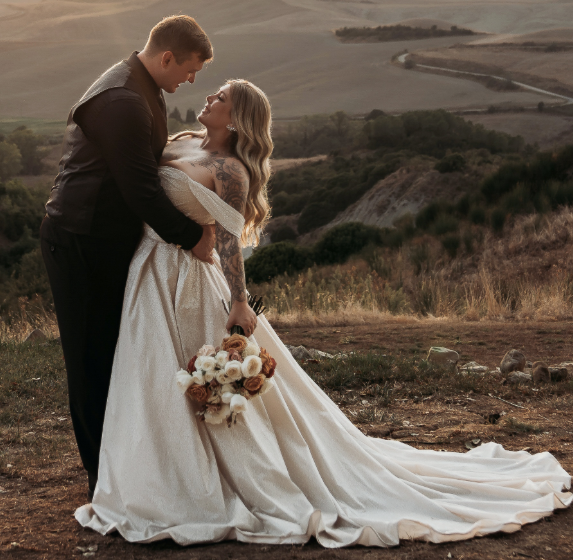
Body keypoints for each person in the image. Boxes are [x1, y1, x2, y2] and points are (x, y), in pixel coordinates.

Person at [76, 79, 571, 549]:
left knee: (189, 385)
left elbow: (227, 242)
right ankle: (150, 474)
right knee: (145, 379)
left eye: (222, 95)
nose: (209, 97)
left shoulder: (231, 171)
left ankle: (195, 483)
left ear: (240, 116)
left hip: (185, 282)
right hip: (147, 272)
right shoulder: (182, 138)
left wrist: (240, 302)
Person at [40, 15, 216, 502]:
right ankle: (103, 484)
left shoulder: (141, 86)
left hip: (104, 241)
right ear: (166, 57)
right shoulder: (123, 100)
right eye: (189, 70)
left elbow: (143, 163)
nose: (191, 81)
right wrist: (191, 236)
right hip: (79, 243)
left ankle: (124, 469)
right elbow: (139, 190)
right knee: (90, 363)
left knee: (116, 356)